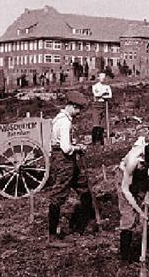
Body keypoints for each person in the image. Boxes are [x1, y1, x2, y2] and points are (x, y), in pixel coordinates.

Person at [48, 91, 95, 247]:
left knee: (83, 187)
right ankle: (52, 236)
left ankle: (87, 223)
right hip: (64, 161)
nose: (79, 113)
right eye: (78, 109)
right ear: (72, 106)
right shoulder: (65, 122)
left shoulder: (58, 118)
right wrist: (78, 147)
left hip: (64, 160)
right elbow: (66, 148)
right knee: (58, 195)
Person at [116, 137, 149, 261]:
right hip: (124, 181)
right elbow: (126, 190)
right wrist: (139, 212)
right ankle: (125, 258)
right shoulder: (133, 161)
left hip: (141, 179)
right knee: (128, 217)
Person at [91, 72, 113, 145]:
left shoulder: (107, 86)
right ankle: (94, 141)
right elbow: (96, 95)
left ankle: (102, 141)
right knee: (96, 124)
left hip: (104, 105)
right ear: (98, 78)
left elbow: (109, 96)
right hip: (96, 105)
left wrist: (102, 94)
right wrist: (103, 93)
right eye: (101, 77)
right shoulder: (95, 86)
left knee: (103, 124)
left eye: (104, 77)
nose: (103, 78)